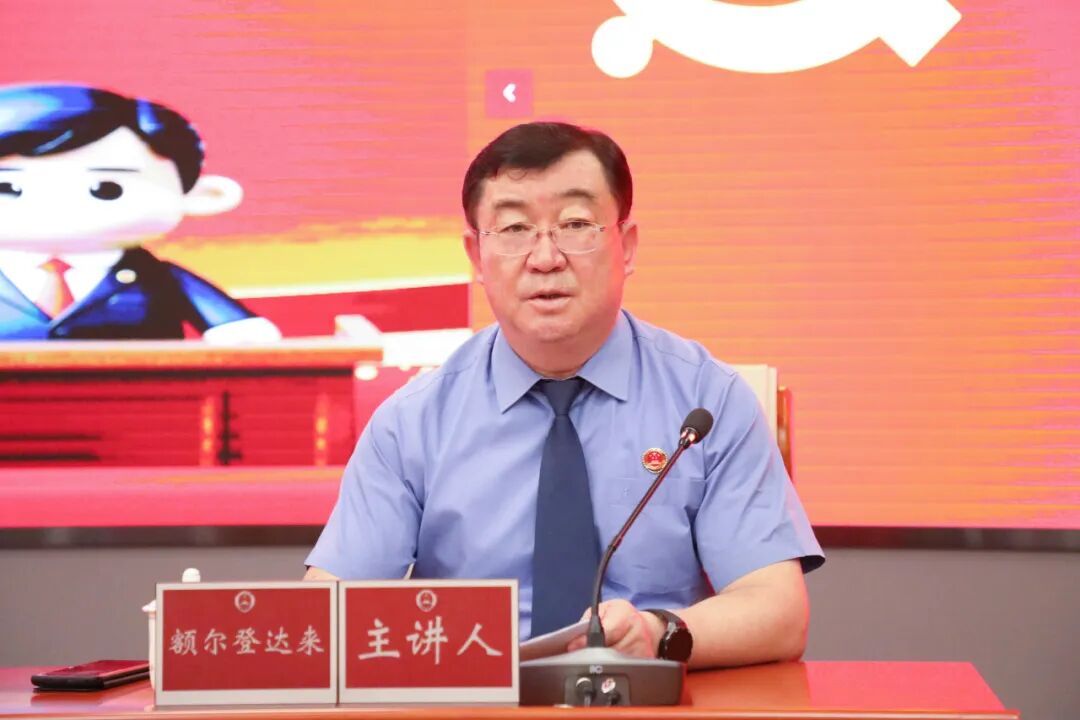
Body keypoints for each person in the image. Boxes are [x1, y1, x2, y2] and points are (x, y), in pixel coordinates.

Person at [305, 121, 823, 668]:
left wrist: (658, 634)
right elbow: (329, 613)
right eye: (514, 228)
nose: (546, 257)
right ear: (476, 256)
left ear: (626, 246)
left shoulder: (707, 402)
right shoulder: (413, 421)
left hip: (647, 696)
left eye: (576, 224)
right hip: (476, 699)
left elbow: (778, 611)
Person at [0, 84, 280, 341]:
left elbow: (239, 332)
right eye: (7, 187)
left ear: (202, 196)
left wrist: (237, 333)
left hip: (138, 381)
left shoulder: (160, 279)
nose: (57, 205)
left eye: (107, 188)